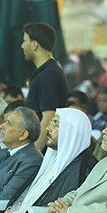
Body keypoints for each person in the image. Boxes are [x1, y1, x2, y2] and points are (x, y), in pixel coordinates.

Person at [22, 22, 68, 150]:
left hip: (41, 150)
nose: (22, 45)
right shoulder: (46, 71)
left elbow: (48, 117)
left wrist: (34, 153)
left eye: (24, 41)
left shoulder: (49, 74)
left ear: (34, 44)